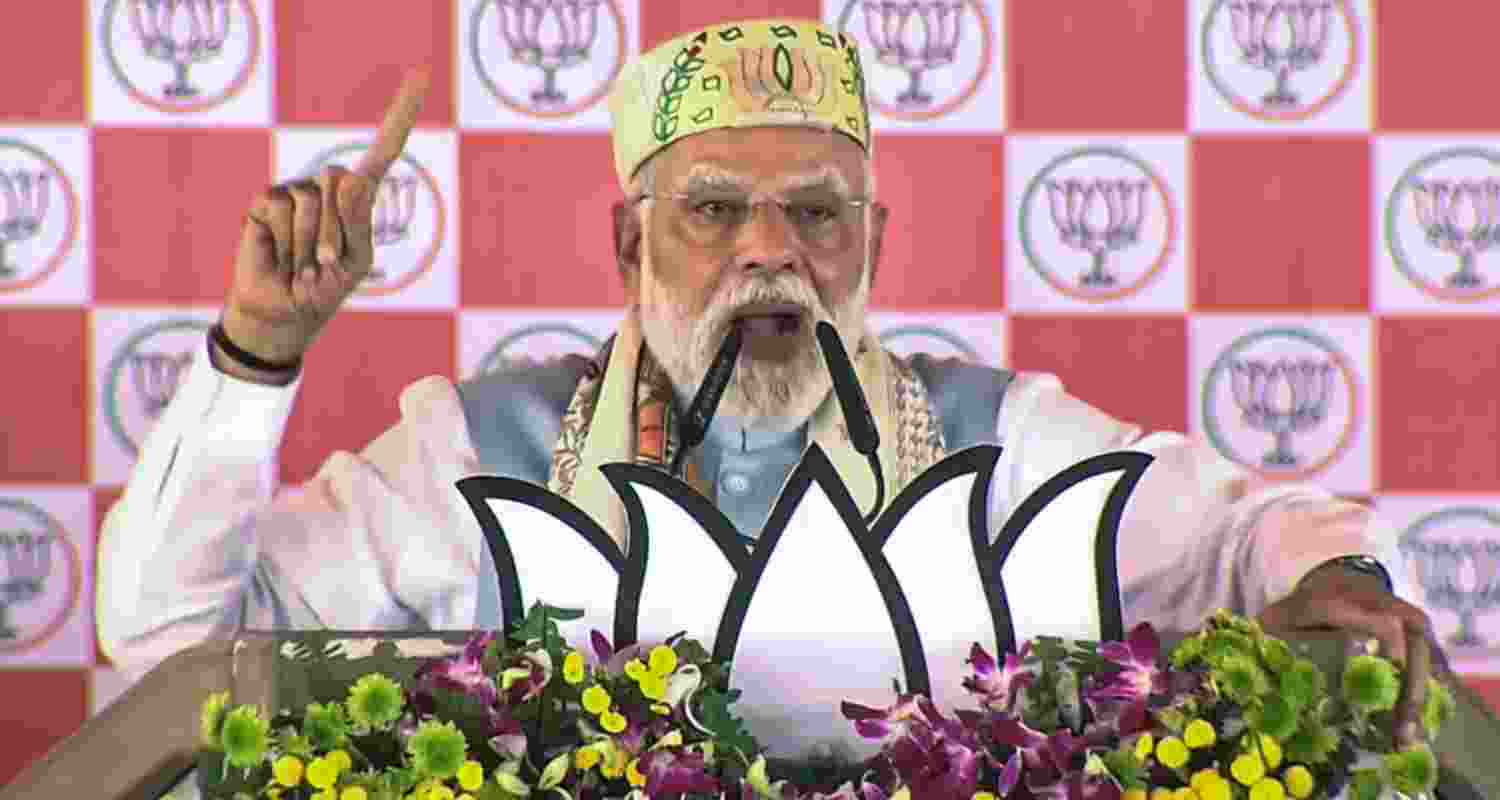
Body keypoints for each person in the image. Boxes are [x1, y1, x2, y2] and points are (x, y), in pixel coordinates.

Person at [96, 17, 1435, 750]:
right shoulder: (482, 455)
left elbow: (1269, 534)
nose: (769, 253)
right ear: (628, 244)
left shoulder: (996, 442)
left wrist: (1344, 590)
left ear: (871, 246)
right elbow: (163, 640)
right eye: (715, 208)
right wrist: (253, 361)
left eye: (817, 213)